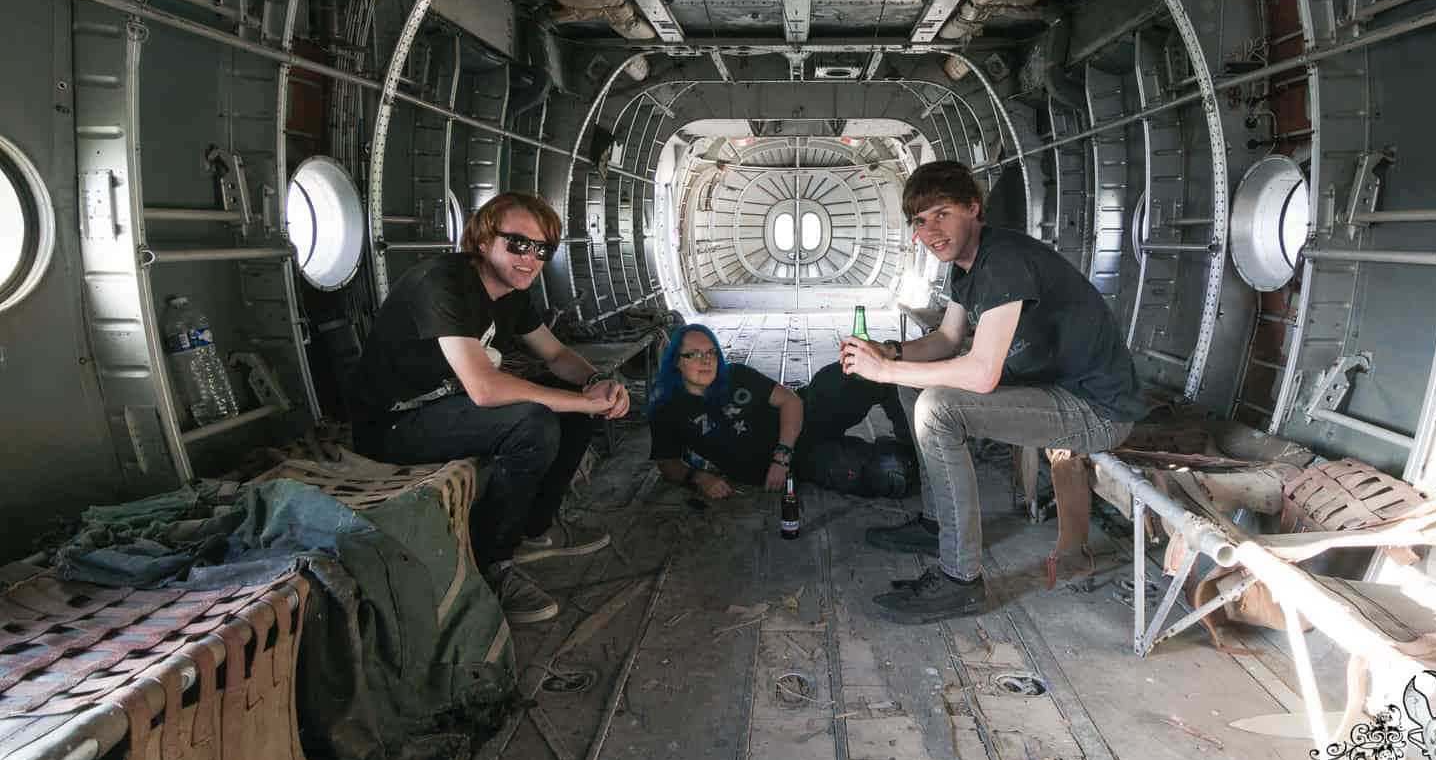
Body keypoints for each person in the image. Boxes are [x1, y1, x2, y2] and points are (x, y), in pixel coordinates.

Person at [841, 161, 1147, 623]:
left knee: (938, 408)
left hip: (1096, 409)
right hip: (1049, 388)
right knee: (912, 385)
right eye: (920, 221)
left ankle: (959, 580)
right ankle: (937, 523)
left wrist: (883, 370)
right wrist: (890, 353)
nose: (931, 231)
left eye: (942, 214)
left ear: (973, 208)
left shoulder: (1004, 261)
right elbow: (946, 340)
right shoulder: (967, 266)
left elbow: (983, 374)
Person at [349, 192, 629, 625]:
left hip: (449, 405)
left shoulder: (512, 293)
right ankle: (492, 562)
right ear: (482, 241)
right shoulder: (442, 282)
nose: (530, 258)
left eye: (542, 249)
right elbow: (483, 388)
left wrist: (597, 383)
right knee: (533, 422)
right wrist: (580, 399)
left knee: (571, 410)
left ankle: (534, 529)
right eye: (518, 243)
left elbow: (557, 355)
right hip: (394, 423)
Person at [647, 324, 915, 500]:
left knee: (865, 370)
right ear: (675, 362)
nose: (706, 360)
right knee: (892, 474)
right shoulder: (667, 410)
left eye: (711, 352)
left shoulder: (735, 374)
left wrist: (781, 456)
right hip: (804, 459)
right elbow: (667, 463)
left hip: (810, 413)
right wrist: (698, 477)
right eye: (694, 354)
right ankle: (896, 453)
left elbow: (790, 401)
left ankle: (916, 441)